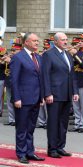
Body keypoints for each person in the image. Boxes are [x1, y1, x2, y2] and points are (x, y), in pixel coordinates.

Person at [42, 32, 79, 158]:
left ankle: (60, 146)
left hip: (67, 93)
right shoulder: (48, 54)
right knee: (53, 122)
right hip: (54, 94)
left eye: (66, 39)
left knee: (63, 122)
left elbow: (72, 75)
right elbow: (45, 75)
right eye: (63, 40)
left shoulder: (67, 55)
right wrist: (47, 93)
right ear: (56, 41)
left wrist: (75, 91)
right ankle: (52, 149)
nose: (65, 42)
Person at [10, 32, 45, 164]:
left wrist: (41, 96)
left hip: (35, 99)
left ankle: (30, 152)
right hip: (23, 100)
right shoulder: (18, 57)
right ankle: (21, 153)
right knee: (22, 128)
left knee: (30, 128)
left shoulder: (38, 57)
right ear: (26, 42)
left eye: (37, 40)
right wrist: (16, 98)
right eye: (34, 41)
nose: (37, 43)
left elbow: (40, 78)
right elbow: (14, 80)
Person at [3, 43, 22, 126]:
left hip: (18, 83)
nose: (13, 52)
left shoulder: (21, 58)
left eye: (14, 50)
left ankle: (19, 119)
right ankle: (11, 119)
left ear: (20, 50)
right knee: (9, 102)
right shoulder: (11, 57)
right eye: (12, 50)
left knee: (17, 101)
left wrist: (10, 61)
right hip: (8, 81)